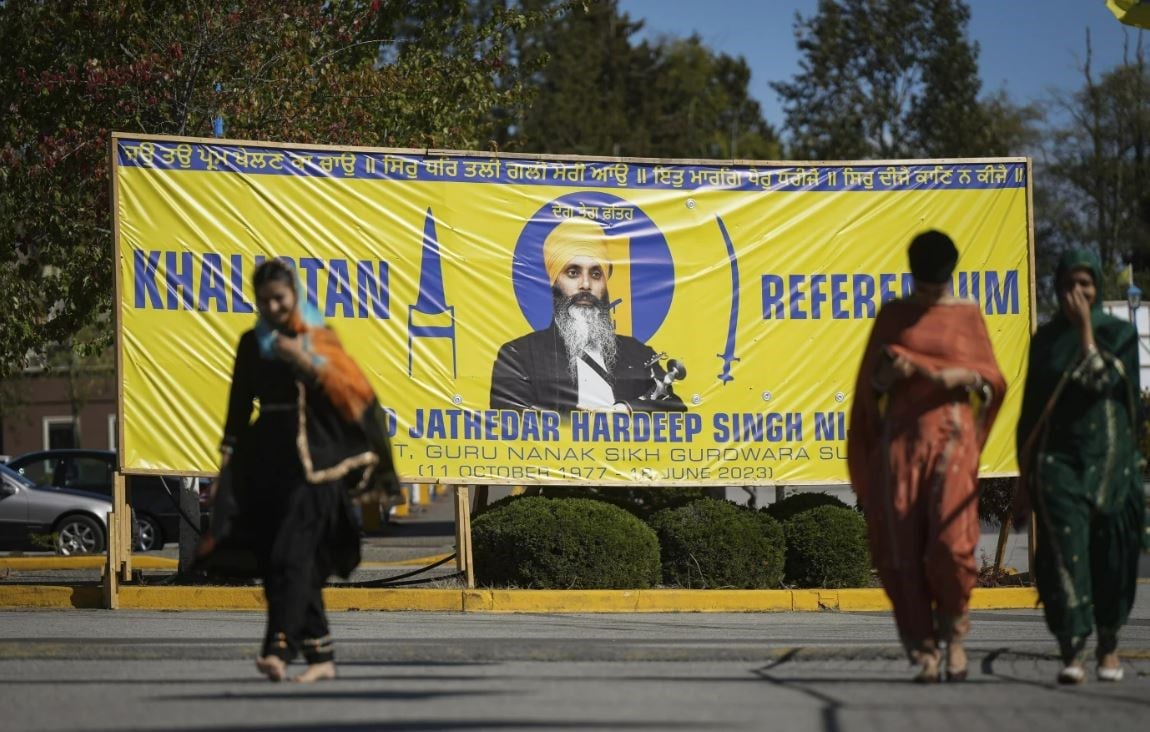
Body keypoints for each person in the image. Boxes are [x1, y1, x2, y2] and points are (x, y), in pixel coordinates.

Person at [199, 258, 396, 683]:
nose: (273, 307)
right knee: (277, 560)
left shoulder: (318, 338)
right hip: (267, 462)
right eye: (265, 300)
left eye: (280, 298)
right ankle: (321, 656)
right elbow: (237, 407)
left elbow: (355, 395)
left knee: (293, 555)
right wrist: (226, 464)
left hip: (317, 467)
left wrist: (305, 362)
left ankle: (277, 648)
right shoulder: (252, 343)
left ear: (295, 296)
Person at [847, 230, 1006, 683]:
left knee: (950, 545)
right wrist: (886, 375)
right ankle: (923, 648)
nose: (931, 295)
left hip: (952, 441)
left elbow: (991, 379)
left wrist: (961, 376)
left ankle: (954, 635)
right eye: (924, 286)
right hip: (902, 444)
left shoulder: (966, 314)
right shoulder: (894, 315)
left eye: (937, 286)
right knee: (898, 548)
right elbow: (867, 390)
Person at [1015, 248, 1147, 685]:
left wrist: (1087, 332)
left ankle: (1108, 646)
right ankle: (1072, 648)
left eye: (1086, 284)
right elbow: (1031, 413)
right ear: (1057, 288)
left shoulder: (1121, 335)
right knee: (1064, 555)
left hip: (1113, 465)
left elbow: (1111, 385)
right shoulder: (1047, 341)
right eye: (1070, 284)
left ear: (1097, 288)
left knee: (1111, 555)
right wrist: (1024, 476)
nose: (1078, 292)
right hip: (1059, 466)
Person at [490, 216, 685, 413]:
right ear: (554, 282)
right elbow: (508, 415)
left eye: (595, 274)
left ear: (605, 284)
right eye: (573, 273)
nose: (586, 284)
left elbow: (676, 409)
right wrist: (573, 423)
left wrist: (627, 409)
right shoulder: (518, 356)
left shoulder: (638, 353)